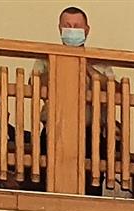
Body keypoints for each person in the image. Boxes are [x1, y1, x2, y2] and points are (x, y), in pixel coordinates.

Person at [32, 6, 116, 194]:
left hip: (91, 134)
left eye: (77, 26)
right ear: (59, 29)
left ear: (86, 30)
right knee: (46, 184)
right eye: (67, 26)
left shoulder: (100, 61)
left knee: (90, 188)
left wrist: (85, 65)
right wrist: (59, 63)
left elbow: (112, 87)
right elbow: (35, 83)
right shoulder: (46, 59)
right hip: (54, 130)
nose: (72, 30)